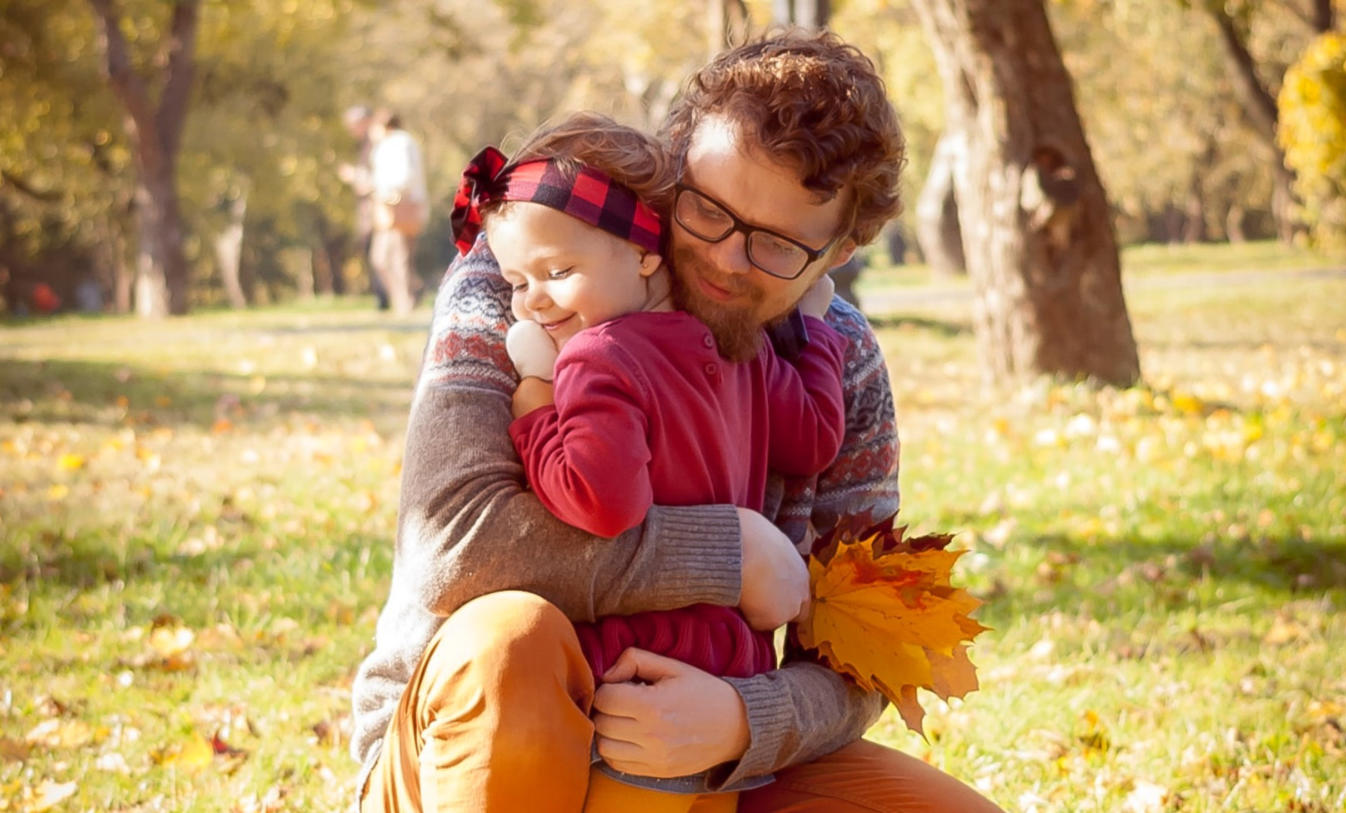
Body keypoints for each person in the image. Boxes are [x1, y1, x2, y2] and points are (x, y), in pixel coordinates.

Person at [351, 28, 1003, 813]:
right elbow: (451, 546)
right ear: (673, 165)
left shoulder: (836, 359)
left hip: (697, 761)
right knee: (510, 640)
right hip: (480, 740)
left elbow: (862, 644)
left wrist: (741, 720)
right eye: (710, 211)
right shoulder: (529, 275)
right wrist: (728, 553)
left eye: (777, 245)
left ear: (840, 252)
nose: (728, 259)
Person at [458, 111, 848, 810]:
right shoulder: (742, 346)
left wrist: (536, 407)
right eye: (516, 282)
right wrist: (814, 333)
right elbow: (816, 434)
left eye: (558, 271)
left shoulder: (596, 359)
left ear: (645, 253)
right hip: (727, 673)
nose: (533, 301)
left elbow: (602, 500)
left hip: (641, 677)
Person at [368, 111, 429, 315]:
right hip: (387, 209)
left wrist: (389, 192)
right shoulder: (384, 146)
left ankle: (406, 302)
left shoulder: (401, 143)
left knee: (399, 258)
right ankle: (411, 294)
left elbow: (405, 176)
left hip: (401, 206)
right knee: (382, 258)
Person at [339, 105, 386, 309]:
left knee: (381, 254)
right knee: (373, 251)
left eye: (353, 125)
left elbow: (381, 177)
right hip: (370, 208)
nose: (351, 131)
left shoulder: (377, 143)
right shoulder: (366, 145)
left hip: (380, 207)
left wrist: (354, 176)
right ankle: (384, 297)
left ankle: (387, 297)